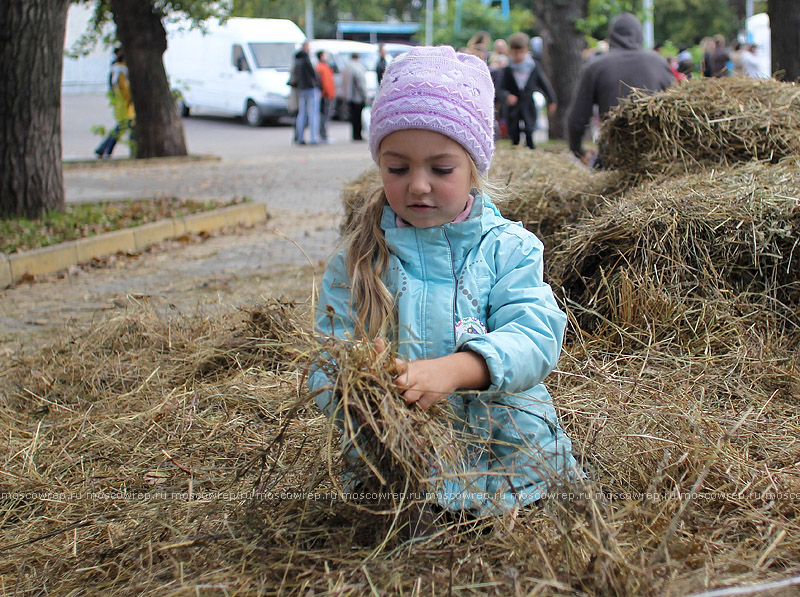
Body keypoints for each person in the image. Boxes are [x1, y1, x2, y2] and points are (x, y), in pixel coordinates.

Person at [308, 46, 578, 518]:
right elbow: (321, 364)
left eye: (440, 168)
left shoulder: (508, 249)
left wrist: (456, 370)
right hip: (398, 480)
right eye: (397, 168)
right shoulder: (357, 260)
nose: (417, 185)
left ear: (473, 166)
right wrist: (357, 380)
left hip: (514, 470)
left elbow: (535, 336)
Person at [566, 12, 675, 167]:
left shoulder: (595, 67)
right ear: (639, 35)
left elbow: (577, 120)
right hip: (656, 157)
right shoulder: (659, 63)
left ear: (611, 36)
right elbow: (678, 107)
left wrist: (578, 151)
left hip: (614, 157)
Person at [497, 32, 557, 150]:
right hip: (513, 105)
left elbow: (544, 84)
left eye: (521, 52)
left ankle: (531, 147)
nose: (518, 56)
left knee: (529, 128)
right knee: (514, 130)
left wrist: (552, 100)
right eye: (515, 53)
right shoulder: (507, 69)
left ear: (526, 50)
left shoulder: (533, 66)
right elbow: (499, 88)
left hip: (528, 102)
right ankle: (515, 147)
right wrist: (506, 96)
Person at [95, 47, 136, 158]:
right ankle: (106, 149)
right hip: (126, 104)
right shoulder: (122, 70)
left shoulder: (115, 69)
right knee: (127, 128)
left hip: (121, 104)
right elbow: (126, 90)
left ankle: (104, 149)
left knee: (122, 127)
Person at [290, 41, 320, 145]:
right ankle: (313, 138)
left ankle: (300, 137)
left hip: (300, 88)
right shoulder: (306, 58)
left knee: (301, 113)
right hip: (309, 88)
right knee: (313, 113)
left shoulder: (296, 59)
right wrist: (317, 83)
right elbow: (313, 73)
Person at [341, 52, 368, 141]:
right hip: (357, 96)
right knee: (358, 116)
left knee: (353, 117)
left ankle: (354, 134)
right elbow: (360, 83)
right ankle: (358, 135)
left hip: (349, 96)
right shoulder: (358, 67)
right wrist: (365, 95)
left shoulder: (346, 67)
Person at [315, 50, 336, 143]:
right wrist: (328, 93)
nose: (327, 56)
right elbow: (325, 82)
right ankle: (323, 135)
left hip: (327, 94)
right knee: (324, 116)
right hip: (325, 95)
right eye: (325, 55)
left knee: (324, 115)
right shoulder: (321, 68)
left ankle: (323, 134)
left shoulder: (323, 67)